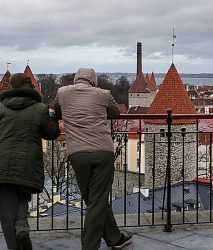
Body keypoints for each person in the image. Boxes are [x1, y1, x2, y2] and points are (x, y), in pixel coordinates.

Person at [54, 68, 132, 250]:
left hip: (78, 154)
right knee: (97, 200)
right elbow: (115, 112)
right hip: (102, 151)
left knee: (93, 199)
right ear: (93, 80)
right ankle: (90, 246)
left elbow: (57, 111)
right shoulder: (103, 94)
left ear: (76, 79)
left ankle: (115, 238)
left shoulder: (63, 92)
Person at [0, 73, 61, 250]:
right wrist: (51, 115)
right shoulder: (40, 109)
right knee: (22, 198)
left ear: (11, 88)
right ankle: (21, 228)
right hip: (29, 163)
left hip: (3, 162)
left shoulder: (1, 108)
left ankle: (14, 246)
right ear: (30, 88)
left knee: (5, 207)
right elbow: (51, 134)